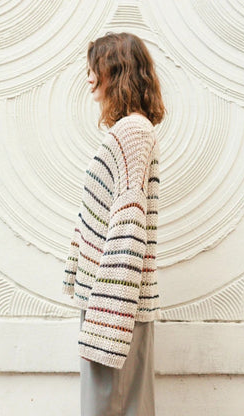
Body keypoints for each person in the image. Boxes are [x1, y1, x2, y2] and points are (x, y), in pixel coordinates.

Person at [62, 32, 165, 416]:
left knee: (111, 407)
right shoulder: (130, 130)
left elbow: (127, 225)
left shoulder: (132, 132)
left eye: (96, 68)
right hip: (111, 299)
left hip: (115, 303)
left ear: (117, 73)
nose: (89, 77)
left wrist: (109, 311)